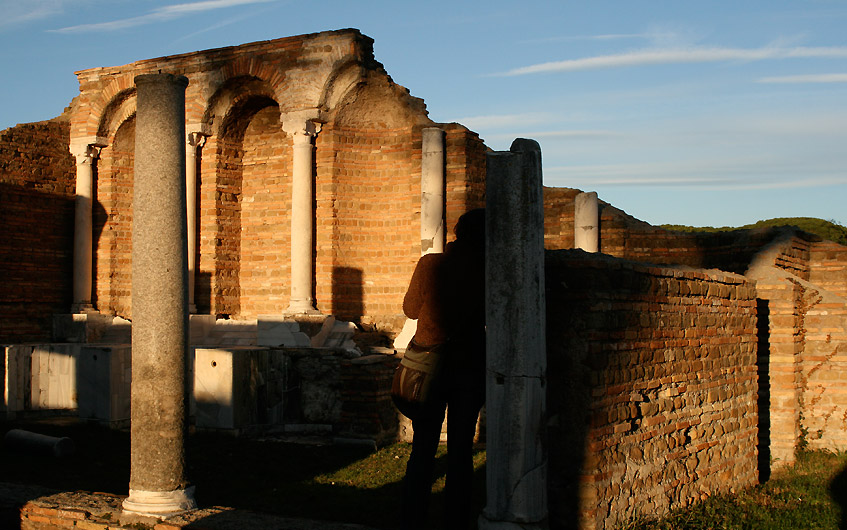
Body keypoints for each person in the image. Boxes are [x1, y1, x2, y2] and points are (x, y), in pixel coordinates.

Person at [400, 208, 486, 530]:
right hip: (469, 367)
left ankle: (412, 518)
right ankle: (457, 520)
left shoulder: (431, 263)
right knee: (461, 450)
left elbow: (410, 309)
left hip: (429, 365)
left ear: (457, 233)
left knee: (423, 447)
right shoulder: (488, 269)